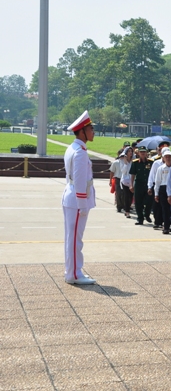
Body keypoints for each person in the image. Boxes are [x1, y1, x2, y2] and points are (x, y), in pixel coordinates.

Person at [62, 110, 97, 285]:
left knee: (71, 238)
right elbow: (80, 181)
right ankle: (74, 274)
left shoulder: (73, 148)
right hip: (77, 200)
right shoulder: (80, 152)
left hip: (70, 197)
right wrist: (83, 205)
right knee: (75, 239)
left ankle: (71, 271)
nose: (93, 132)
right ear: (82, 131)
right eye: (90, 129)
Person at [147, 140, 171, 230]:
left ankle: (167, 224)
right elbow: (152, 176)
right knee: (157, 207)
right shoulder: (156, 163)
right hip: (159, 186)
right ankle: (158, 222)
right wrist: (150, 187)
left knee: (167, 208)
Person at [129, 146, 154, 226]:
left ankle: (147, 214)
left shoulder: (151, 162)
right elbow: (132, 174)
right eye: (141, 152)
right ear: (138, 153)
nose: (143, 153)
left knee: (149, 201)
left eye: (144, 152)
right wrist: (131, 185)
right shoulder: (135, 162)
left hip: (148, 185)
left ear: (147, 153)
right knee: (138, 203)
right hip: (139, 185)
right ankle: (140, 218)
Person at [152, 148, 171, 235]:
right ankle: (166, 227)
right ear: (163, 158)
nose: (168, 158)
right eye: (166, 157)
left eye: (169, 156)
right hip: (163, 189)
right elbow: (157, 182)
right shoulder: (160, 168)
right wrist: (156, 194)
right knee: (165, 209)